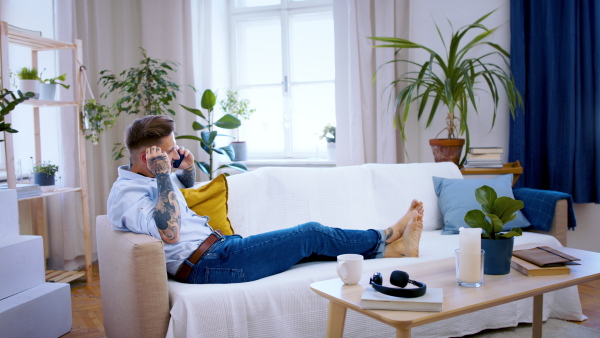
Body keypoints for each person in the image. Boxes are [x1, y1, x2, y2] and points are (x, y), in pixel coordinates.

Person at [108, 115, 424, 284]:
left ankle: (393, 250)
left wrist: (184, 170)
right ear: (147, 159)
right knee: (310, 233)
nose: (176, 154)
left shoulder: (151, 178)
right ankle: (386, 234)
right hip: (210, 264)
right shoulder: (128, 196)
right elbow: (170, 232)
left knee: (308, 249)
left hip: (220, 249)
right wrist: (164, 174)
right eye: (170, 151)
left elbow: (181, 196)